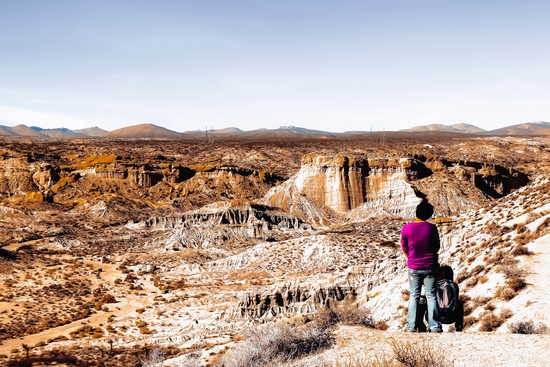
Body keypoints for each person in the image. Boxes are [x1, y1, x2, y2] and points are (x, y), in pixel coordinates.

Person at [401, 200, 442, 332]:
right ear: (429, 214)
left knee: (414, 295)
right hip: (430, 265)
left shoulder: (406, 228)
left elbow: (404, 248)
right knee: (431, 295)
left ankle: (411, 326)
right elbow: (437, 247)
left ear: (416, 212)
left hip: (414, 267)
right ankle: (434, 326)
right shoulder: (432, 228)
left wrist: (411, 259)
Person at [415, 265, 464, 332]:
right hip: (451, 317)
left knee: (423, 302)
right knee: (459, 303)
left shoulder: (432, 286)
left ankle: (422, 327)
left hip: (434, 317)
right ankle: (459, 326)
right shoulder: (454, 285)